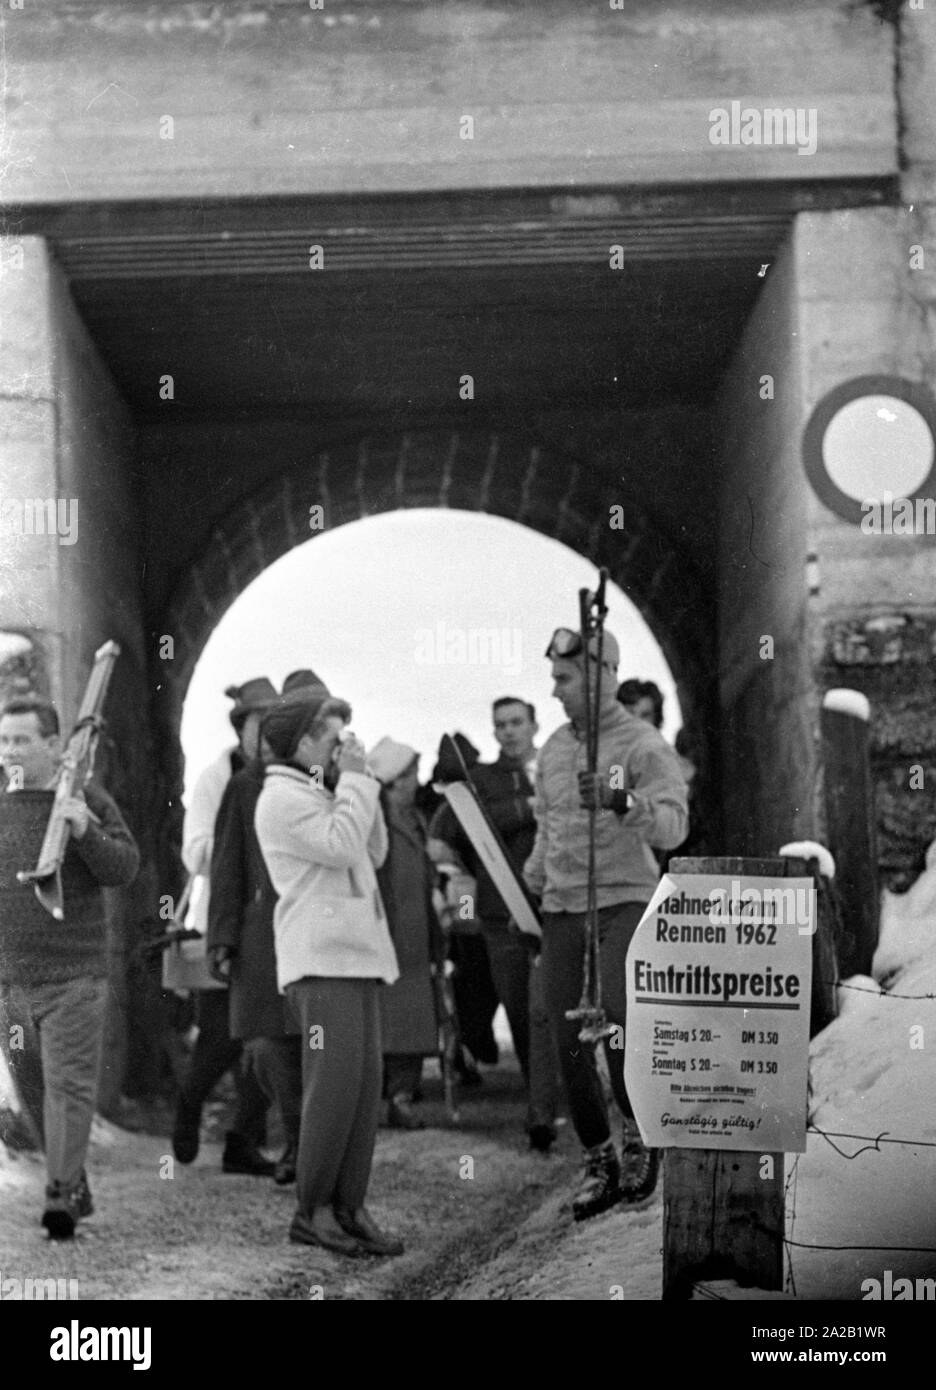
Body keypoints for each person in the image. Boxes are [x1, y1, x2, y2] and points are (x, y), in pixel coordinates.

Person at [524, 628, 688, 1219]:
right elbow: (548, 822)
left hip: (623, 898)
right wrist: (536, 870)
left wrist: (620, 800)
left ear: (601, 674)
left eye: (564, 679)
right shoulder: (553, 749)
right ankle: (598, 1157)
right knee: (564, 1034)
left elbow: (673, 826)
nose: (555, 691)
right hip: (564, 904)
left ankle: (641, 1138)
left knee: (620, 1018)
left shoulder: (642, 744)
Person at [255, 694, 403, 1257]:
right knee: (333, 1089)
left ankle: (349, 1207)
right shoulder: (279, 799)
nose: (340, 747)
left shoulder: (320, 790)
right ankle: (312, 1209)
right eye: (330, 737)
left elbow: (375, 851)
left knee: (363, 1088)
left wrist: (361, 785)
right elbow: (342, 847)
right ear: (300, 743)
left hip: (354, 955)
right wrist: (358, 784)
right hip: (320, 960)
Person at [0, 695, 139, 1238]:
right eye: (4, 739)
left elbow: (124, 868)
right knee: (32, 1089)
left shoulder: (82, 796)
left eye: (21, 740)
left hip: (75, 977)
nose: (9, 749)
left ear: (54, 745)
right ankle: (71, 1179)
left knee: (68, 1087)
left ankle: (58, 1197)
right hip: (10, 983)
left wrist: (85, 831)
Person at [205, 672, 329, 1184]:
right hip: (262, 935)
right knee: (265, 1041)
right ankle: (298, 1142)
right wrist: (222, 937)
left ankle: (315, 1147)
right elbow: (227, 864)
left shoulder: (331, 781)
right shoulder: (243, 786)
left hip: (317, 925)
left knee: (316, 1038)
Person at [432, 698, 561, 1151]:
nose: (508, 732)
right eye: (500, 725)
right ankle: (538, 1100)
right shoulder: (480, 779)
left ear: (533, 724)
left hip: (552, 906)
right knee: (520, 1011)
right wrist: (534, 806)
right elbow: (463, 828)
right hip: (498, 912)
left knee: (549, 1009)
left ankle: (548, 1108)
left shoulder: (556, 766)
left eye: (516, 723)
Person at [172, 677, 279, 1176]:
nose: (267, 732)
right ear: (242, 728)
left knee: (263, 1032)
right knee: (219, 1035)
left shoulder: (284, 775)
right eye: (260, 722)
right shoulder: (221, 776)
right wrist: (238, 846)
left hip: (271, 924)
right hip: (224, 920)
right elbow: (194, 850)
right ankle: (189, 1105)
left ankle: (243, 1140)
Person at [368, 738, 444, 1130]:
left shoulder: (413, 819)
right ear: (394, 781)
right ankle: (387, 1099)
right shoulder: (375, 821)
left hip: (415, 934)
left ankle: (401, 1097)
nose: (417, 781)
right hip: (391, 933)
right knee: (390, 1019)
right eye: (411, 774)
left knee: (412, 1018)